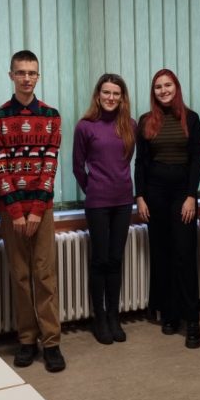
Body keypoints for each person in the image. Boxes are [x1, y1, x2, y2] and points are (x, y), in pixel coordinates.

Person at [0, 50, 65, 373]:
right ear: (11, 76)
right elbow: (0, 166)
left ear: (38, 76)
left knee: (44, 274)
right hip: (12, 209)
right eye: (20, 72)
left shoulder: (50, 115)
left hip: (41, 208)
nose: (26, 78)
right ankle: (26, 339)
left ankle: (52, 342)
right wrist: (17, 211)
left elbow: (50, 165)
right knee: (20, 275)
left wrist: (35, 210)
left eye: (31, 72)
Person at [134, 69, 200, 349]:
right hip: (155, 193)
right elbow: (140, 162)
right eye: (158, 87)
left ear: (176, 87)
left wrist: (191, 196)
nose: (163, 90)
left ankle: (192, 320)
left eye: (168, 85)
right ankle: (170, 314)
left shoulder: (192, 119)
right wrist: (140, 196)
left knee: (184, 254)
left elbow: (196, 161)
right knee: (162, 254)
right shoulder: (145, 121)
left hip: (182, 194)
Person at [72, 73, 137, 345]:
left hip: (123, 201)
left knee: (115, 259)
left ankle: (113, 316)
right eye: (106, 92)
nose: (111, 97)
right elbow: (78, 166)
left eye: (116, 93)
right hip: (97, 202)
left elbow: (126, 161)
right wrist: (94, 188)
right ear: (98, 95)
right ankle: (99, 318)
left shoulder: (130, 125)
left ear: (122, 97)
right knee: (100, 260)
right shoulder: (85, 126)